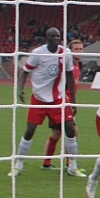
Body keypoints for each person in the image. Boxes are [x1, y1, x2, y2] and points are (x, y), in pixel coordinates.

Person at [9, 27, 86, 178]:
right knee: (29, 131)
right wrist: (21, 89)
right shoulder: (38, 53)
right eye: (52, 36)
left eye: (57, 36)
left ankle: (72, 166)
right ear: (46, 38)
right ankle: (18, 165)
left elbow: (70, 76)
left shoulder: (65, 53)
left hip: (58, 99)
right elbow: (25, 71)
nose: (55, 38)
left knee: (70, 130)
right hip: (38, 99)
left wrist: (73, 101)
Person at [41, 39, 85, 172]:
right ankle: (70, 164)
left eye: (80, 49)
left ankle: (47, 163)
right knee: (72, 131)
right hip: (62, 103)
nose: (78, 52)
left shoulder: (77, 65)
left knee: (57, 133)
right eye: (75, 49)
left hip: (65, 103)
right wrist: (67, 101)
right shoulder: (67, 67)